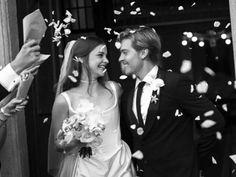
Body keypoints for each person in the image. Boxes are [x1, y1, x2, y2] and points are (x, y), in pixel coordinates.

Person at [117, 26, 225, 177]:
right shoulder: (128, 93)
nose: (120, 58)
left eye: (125, 52)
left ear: (143, 52)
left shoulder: (175, 83)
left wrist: (194, 160)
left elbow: (215, 120)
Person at [48, 36, 135, 177]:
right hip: (86, 170)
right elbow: (58, 144)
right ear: (81, 58)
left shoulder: (115, 89)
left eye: (106, 56)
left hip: (119, 166)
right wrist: (75, 140)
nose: (106, 60)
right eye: (100, 55)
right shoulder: (64, 100)